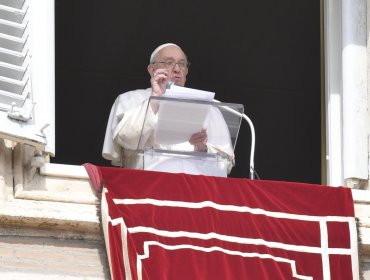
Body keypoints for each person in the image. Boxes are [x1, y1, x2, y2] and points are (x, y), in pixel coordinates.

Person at [102, 43, 234, 174]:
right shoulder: (129, 99)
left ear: (186, 71)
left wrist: (202, 149)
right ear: (152, 69)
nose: (177, 69)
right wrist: (155, 98)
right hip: (145, 187)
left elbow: (225, 165)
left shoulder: (210, 107)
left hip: (195, 190)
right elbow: (128, 139)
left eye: (182, 64)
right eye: (169, 62)